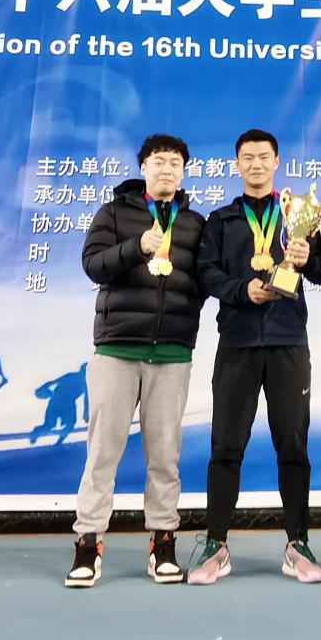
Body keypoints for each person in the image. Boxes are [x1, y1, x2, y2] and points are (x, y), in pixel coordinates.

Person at [189, 129, 321, 585]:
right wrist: (241, 290)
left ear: (276, 162)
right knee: (225, 446)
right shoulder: (220, 220)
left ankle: (298, 544)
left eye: (263, 157)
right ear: (236, 164)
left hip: (289, 343)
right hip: (237, 343)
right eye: (247, 157)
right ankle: (215, 544)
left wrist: (307, 257)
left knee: (293, 445)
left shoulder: (296, 214)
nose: (255, 164)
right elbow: (205, 273)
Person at [66, 134, 205, 589]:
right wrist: (137, 247)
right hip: (117, 350)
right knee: (102, 452)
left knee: (165, 456)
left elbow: (207, 280)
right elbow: (93, 264)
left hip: (172, 353)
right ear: (143, 167)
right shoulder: (113, 213)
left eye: (175, 163)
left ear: (183, 172)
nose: (167, 169)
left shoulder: (195, 223)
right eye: (158, 161)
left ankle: (163, 541)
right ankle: (88, 542)